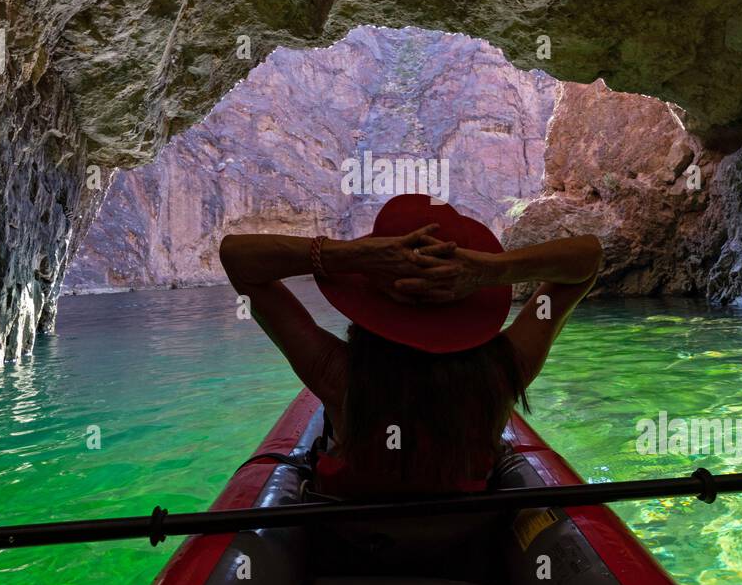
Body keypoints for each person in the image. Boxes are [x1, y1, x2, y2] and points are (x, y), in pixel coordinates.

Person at [219, 193, 602, 498]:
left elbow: (238, 258)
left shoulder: (337, 375)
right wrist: (492, 270)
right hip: (468, 544)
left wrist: (349, 255)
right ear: (468, 296)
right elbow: (586, 260)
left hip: (360, 546)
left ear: (368, 303)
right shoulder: (507, 369)